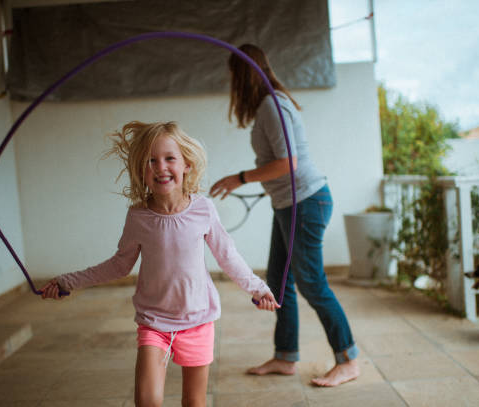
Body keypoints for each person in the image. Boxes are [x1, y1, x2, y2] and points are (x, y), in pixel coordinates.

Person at [40, 121, 279, 407]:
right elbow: (119, 266)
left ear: (186, 164)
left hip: (198, 321)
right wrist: (68, 281)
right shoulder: (138, 217)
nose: (160, 167)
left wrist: (258, 288)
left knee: (194, 403)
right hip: (154, 322)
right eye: (150, 161)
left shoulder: (203, 209)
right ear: (141, 171)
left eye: (169, 158)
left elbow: (227, 255)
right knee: (147, 402)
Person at [210, 44, 360, 387]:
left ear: (242, 74)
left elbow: (287, 163)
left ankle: (348, 359)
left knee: (311, 283)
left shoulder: (272, 106)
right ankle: (285, 357)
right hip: (291, 204)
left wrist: (241, 178)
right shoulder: (270, 104)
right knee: (278, 284)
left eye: (233, 76)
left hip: (306, 202)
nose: (232, 84)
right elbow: (280, 167)